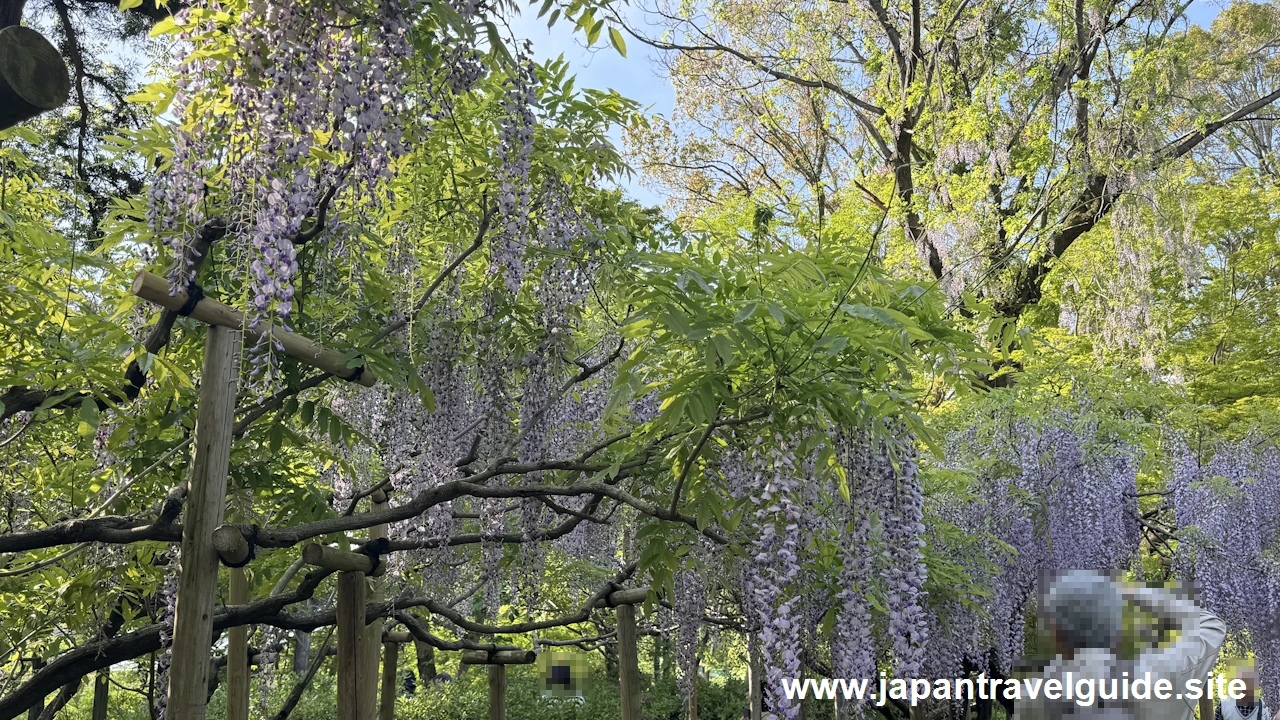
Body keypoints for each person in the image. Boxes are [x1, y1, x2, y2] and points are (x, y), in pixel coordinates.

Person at [1015, 571, 1226, 720]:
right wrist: (1132, 593)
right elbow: (1210, 623)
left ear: (1055, 634)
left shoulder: (1032, 696)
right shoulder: (1167, 671)